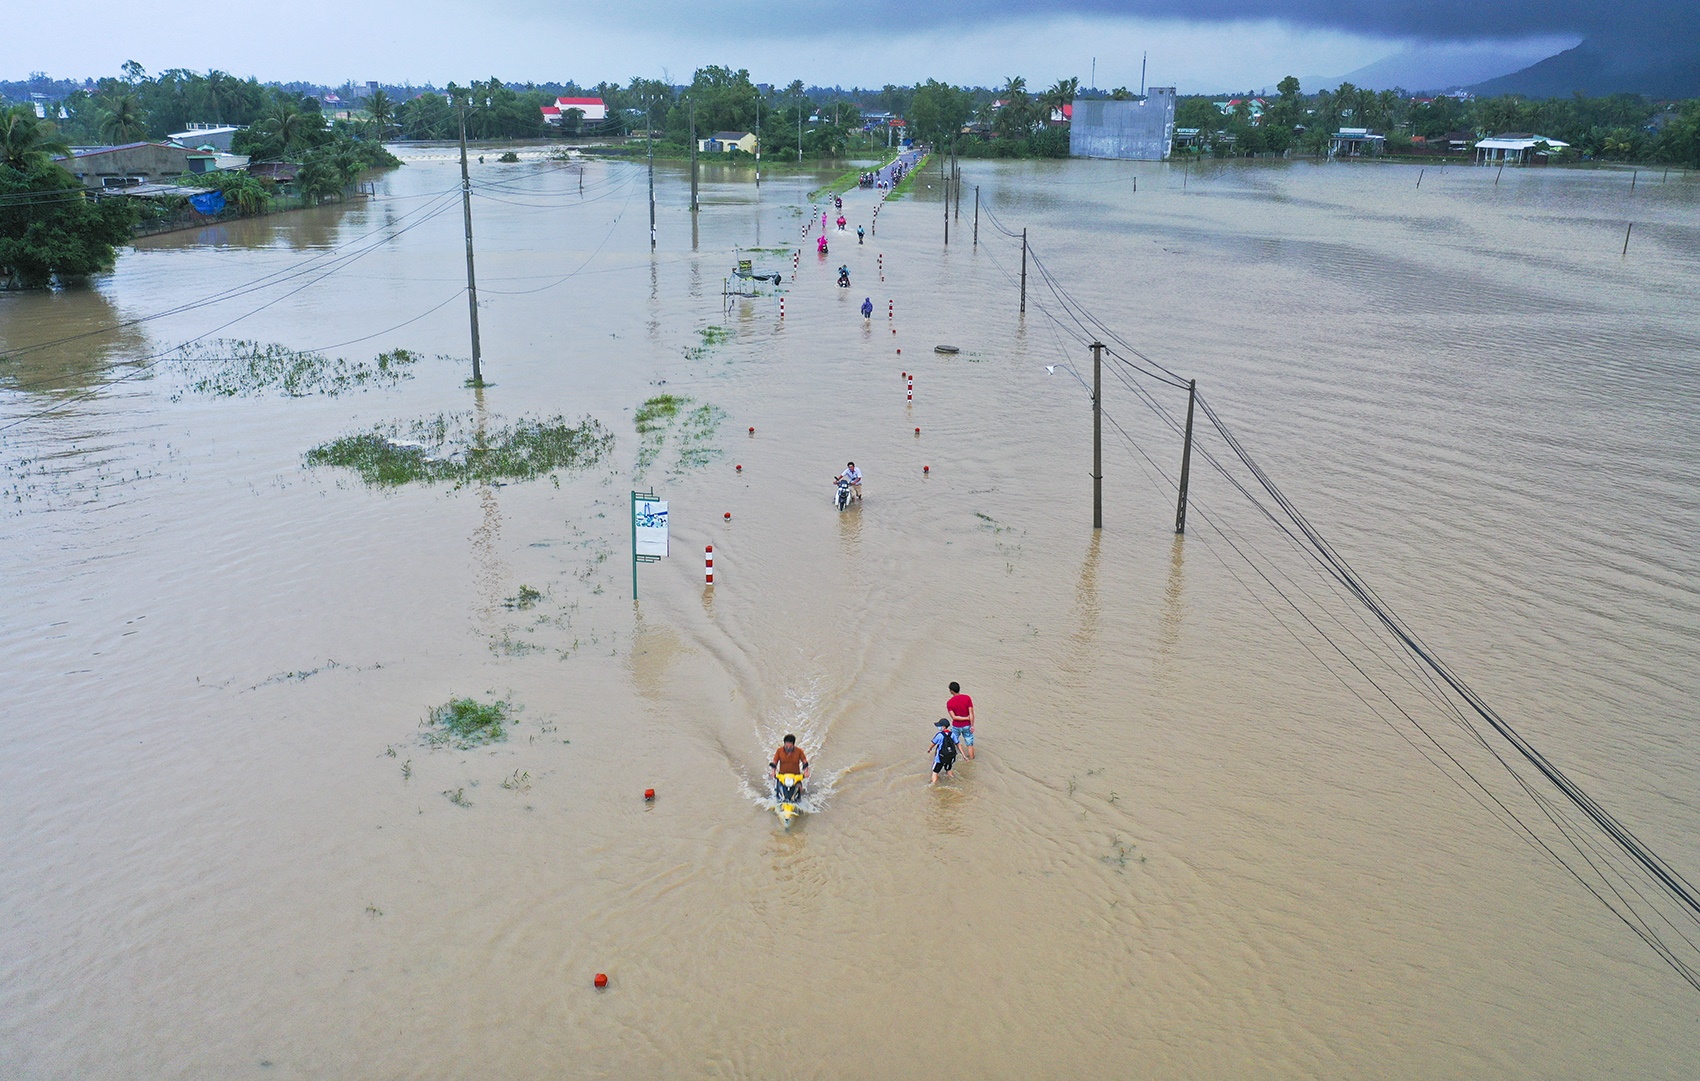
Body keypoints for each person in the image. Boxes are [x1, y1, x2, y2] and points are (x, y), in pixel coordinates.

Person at [769, 734, 810, 798]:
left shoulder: (799, 751)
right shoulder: (779, 751)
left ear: (793, 745)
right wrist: (773, 772)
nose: (788, 748)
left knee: (800, 791)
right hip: (782, 776)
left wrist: (806, 772)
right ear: (784, 744)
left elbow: (805, 762)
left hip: (796, 776)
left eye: (790, 746)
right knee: (778, 792)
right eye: (786, 746)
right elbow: (775, 762)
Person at [946, 681, 976, 759]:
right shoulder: (967, 698)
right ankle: (971, 760)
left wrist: (965, 718)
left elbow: (954, 717)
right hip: (967, 725)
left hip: (956, 726)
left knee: (952, 742)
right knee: (970, 744)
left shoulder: (949, 703)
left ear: (951, 691)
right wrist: (972, 725)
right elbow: (971, 713)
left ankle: (951, 758)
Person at [929, 719, 958, 785]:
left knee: (935, 772)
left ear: (944, 727)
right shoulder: (952, 734)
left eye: (940, 726)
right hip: (949, 756)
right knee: (948, 770)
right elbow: (957, 743)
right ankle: (953, 782)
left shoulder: (939, 735)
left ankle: (933, 785)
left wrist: (929, 749)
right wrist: (964, 755)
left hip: (940, 758)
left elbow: (933, 743)